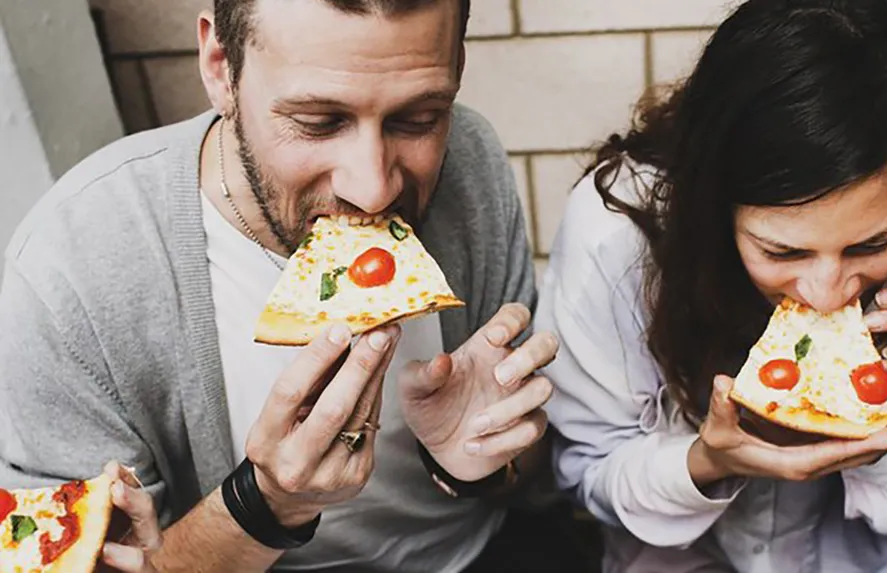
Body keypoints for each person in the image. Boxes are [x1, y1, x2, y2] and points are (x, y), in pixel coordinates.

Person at [0, 1, 568, 571]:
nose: (372, 189)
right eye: (318, 122)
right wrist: (264, 505)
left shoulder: (469, 159)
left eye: (417, 119)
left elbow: (536, 476)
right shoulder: (72, 273)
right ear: (221, 66)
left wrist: (476, 463)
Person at [535, 0, 887, 571]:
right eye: (783, 250)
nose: (826, 293)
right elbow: (589, 473)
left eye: (873, 245)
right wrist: (710, 462)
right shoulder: (616, 229)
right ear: (714, 203)